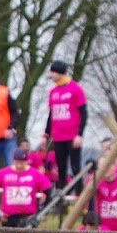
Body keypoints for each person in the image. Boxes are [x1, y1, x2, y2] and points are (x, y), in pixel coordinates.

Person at [42, 60, 87, 189]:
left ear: (59, 73)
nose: (50, 75)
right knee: (61, 168)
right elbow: (51, 115)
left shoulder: (76, 89)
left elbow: (84, 114)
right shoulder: (53, 92)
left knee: (75, 167)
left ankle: (80, 196)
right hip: (58, 136)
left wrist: (80, 134)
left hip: (73, 136)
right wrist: (46, 134)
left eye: (52, 72)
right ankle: (62, 196)